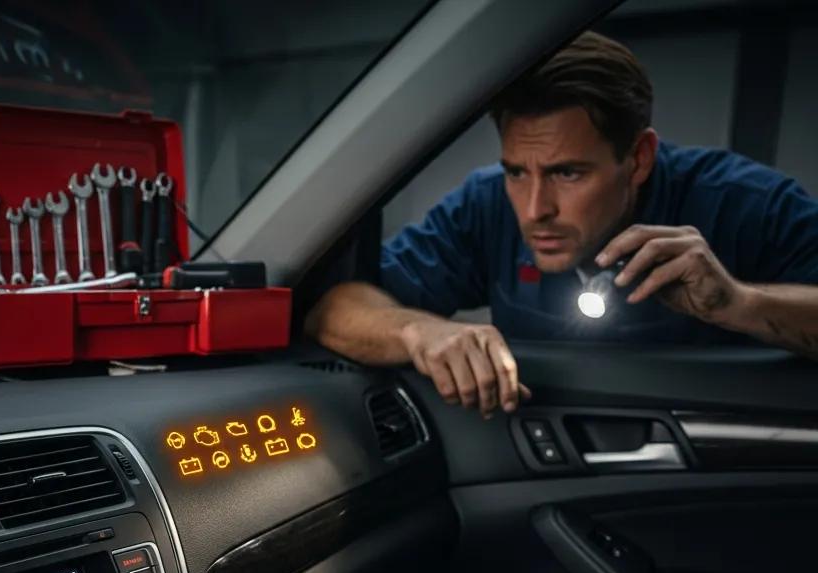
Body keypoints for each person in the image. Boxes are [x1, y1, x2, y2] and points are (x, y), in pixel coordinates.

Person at [305, 31, 818, 416]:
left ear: (639, 158)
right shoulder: (485, 204)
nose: (533, 210)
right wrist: (420, 331)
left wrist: (739, 303)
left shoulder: (745, 204)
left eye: (567, 173)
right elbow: (334, 307)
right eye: (516, 172)